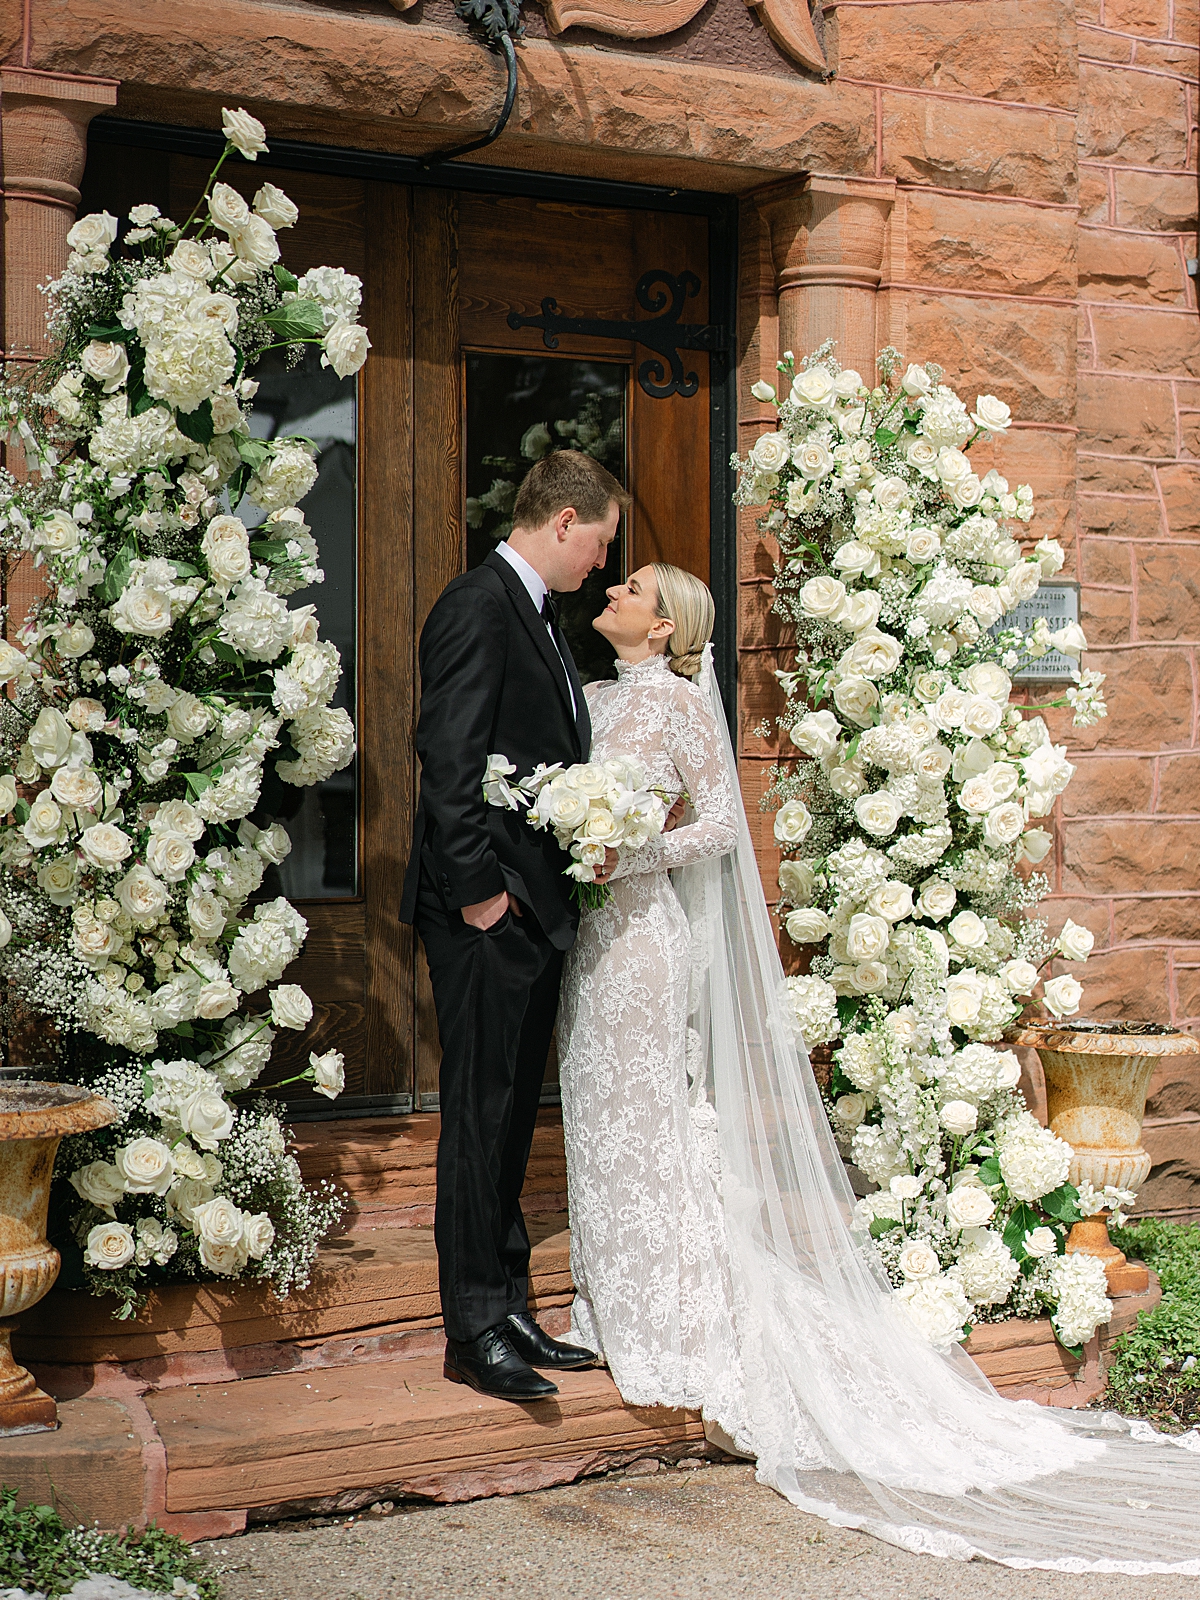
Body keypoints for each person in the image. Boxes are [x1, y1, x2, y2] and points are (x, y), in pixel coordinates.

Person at [556, 561, 1200, 1573]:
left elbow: (719, 824)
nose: (614, 593)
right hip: (589, 942)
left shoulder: (679, 704)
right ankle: (615, 1294)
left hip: (644, 937)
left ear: (668, 622)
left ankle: (673, 1313)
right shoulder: (588, 696)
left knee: (650, 1116)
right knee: (602, 1116)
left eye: (633, 588)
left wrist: (628, 852)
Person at [399, 450, 628, 1403]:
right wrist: (481, 895)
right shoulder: (478, 603)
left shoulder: (535, 612)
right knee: (478, 1117)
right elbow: (448, 758)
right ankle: (472, 1330)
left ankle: (508, 1303)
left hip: (530, 913)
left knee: (509, 1121)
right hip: (486, 915)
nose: (603, 565)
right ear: (565, 520)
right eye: (601, 543)